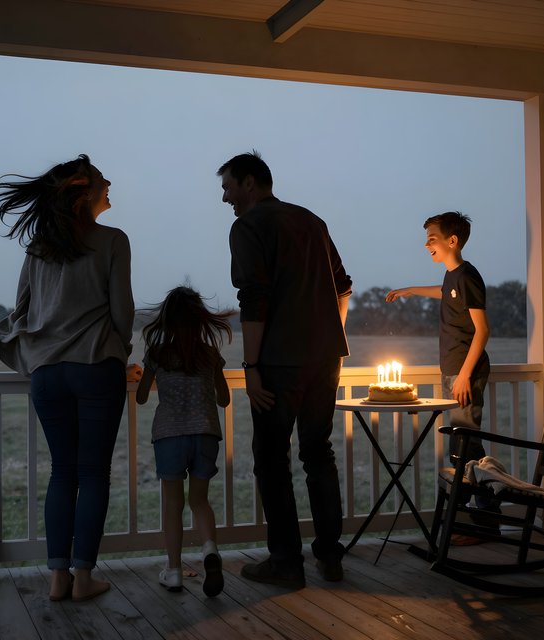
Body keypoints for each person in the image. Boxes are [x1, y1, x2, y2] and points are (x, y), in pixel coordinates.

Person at [0, 155, 142, 602]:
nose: (111, 184)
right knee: (93, 475)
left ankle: (56, 577)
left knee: (62, 474)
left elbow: (23, 309)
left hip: (47, 376)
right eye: (104, 180)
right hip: (95, 370)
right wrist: (118, 352)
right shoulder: (113, 240)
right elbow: (122, 314)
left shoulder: (38, 248)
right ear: (83, 192)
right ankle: (84, 577)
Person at [217, 151, 352, 589]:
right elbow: (343, 286)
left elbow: (253, 299)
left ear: (251, 183)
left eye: (228, 187)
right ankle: (331, 557)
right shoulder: (311, 220)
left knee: (272, 460)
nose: (225, 198)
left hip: (278, 362)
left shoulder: (249, 226)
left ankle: (286, 563)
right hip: (325, 359)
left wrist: (251, 366)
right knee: (319, 453)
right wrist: (329, 334)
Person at [136, 286, 233, 598]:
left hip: (169, 437)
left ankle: (174, 570)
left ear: (166, 320)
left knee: (174, 505)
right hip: (206, 435)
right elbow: (224, 399)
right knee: (200, 501)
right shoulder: (209, 355)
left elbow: (140, 398)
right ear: (200, 320)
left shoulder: (157, 354)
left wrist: (141, 375)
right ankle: (209, 551)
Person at [385, 211, 491, 468]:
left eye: (432, 239)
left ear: (452, 241)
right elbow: (445, 292)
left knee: (464, 441)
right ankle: (475, 497)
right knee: (462, 439)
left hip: (465, 371)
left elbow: (483, 330)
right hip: (453, 367)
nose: (426, 244)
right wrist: (410, 290)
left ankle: (481, 499)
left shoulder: (467, 276)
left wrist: (465, 375)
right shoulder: (453, 276)